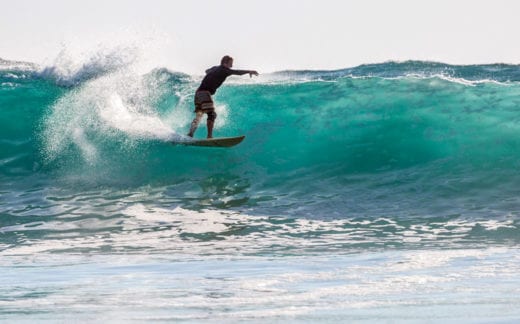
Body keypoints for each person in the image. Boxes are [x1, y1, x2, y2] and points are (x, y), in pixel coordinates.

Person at [187, 55, 259, 138]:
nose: (231, 66)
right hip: (205, 93)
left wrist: (212, 73)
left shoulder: (215, 68)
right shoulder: (224, 70)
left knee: (199, 114)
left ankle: (190, 133)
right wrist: (249, 71)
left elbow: (206, 70)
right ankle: (209, 136)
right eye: (230, 63)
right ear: (225, 63)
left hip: (198, 93)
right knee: (212, 114)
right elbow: (237, 72)